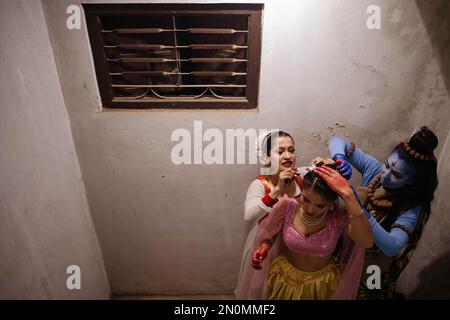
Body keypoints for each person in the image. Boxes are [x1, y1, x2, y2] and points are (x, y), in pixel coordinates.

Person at [328, 126, 439, 299]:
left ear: (412, 182)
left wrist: (361, 213)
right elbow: (336, 141)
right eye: (387, 165)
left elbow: (392, 247)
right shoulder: (376, 171)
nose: (386, 174)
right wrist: (340, 158)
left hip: (372, 271)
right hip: (345, 254)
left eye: (396, 175)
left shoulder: (411, 208)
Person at [237, 162, 373, 300]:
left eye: (320, 206)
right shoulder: (287, 206)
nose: (310, 209)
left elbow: (366, 242)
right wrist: (264, 247)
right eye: (306, 199)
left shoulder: (338, 218)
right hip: (284, 280)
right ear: (301, 191)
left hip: (322, 285)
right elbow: (269, 235)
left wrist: (348, 194)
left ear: (331, 204)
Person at [235, 130, 303, 299]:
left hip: (295, 243)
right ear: (266, 158)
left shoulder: (300, 177)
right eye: (280, 152)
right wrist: (276, 192)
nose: (287, 156)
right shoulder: (260, 184)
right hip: (266, 246)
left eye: (291, 150)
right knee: (263, 290)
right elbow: (249, 215)